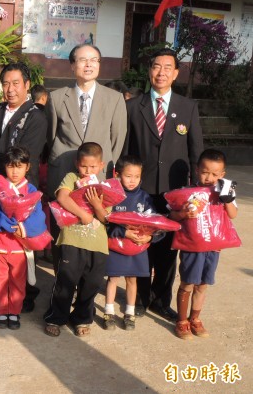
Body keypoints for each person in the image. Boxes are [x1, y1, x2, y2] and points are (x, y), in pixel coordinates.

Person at [124, 48, 204, 320]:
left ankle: (161, 300)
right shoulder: (134, 106)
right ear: (150, 71)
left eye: (167, 67)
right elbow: (126, 150)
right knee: (142, 245)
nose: (161, 72)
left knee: (169, 250)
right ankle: (140, 298)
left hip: (175, 193)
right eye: (156, 67)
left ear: (176, 73)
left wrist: (198, 191)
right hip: (142, 190)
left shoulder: (187, 107)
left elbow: (196, 153)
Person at [0, 62, 47, 310]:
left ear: (27, 85)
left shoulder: (37, 116)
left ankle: (26, 292)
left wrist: (1, 185)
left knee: (22, 242)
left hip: (22, 191)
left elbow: (24, 156)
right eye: (6, 83)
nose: (10, 89)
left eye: (16, 83)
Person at [168, 149, 237, 339]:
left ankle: (195, 319)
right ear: (197, 170)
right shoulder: (187, 192)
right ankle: (182, 321)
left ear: (222, 174)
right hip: (192, 246)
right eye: (205, 172)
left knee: (203, 285)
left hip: (213, 247)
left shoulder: (225, 191)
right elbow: (172, 215)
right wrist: (183, 214)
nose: (210, 177)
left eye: (215, 174)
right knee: (188, 283)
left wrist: (227, 200)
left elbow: (232, 214)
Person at [43, 142, 110, 338]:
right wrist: (84, 214)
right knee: (66, 281)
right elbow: (63, 198)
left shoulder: (105, 186)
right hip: (72, 239)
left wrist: (97, 205)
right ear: (76, 163)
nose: (88, 171)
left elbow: (107, 218)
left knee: (92, 283)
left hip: (97, 244)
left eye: (93, 167)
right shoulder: (71, 178)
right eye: (83, 166)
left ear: (101, 165)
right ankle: (55, 317)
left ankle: (82, 318)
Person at [46, 44, 127, 199]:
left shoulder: (114, 98)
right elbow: (51, 136)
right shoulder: (57, 97)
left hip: (99, 174)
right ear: (72, 65)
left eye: (94, 60)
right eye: (83, 60)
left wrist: (103, 161)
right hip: (63, 170)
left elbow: (117, 138)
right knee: (63, 220)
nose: (89, 64)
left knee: (96, 221)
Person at [0, 146, 47, 330]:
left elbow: (38, 214)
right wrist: (9, 225)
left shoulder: (31, 188)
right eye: (11, 167)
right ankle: (2, 312)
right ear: (5, 167)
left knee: (18, 280)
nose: (14, 171)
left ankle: (15, 312)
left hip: (20, 243)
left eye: (19, 167)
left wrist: (24, 229)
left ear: (27, 167)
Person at [103, 155, 161, 332]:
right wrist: (123, 232)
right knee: (113, 278)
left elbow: (157, 224)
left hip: (137, 247)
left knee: (132, 279)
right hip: (116, 246)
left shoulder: (144, 197)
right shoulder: (112, 196)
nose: (132, 180)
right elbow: (105, 224)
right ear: (117, 174)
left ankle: (129, 312)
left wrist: (150, 238)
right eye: (128, 176)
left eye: (137, 176)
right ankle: (108, 311)